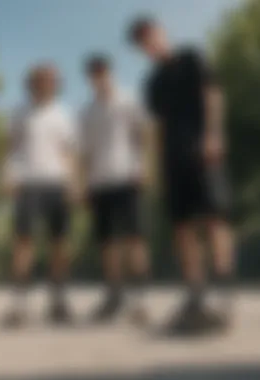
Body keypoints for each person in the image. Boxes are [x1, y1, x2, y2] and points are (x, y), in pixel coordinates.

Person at [128, 17, 235, 333]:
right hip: (173, 160)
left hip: (203, 151)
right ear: (141, 49)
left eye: (151, 36)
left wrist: (214, 135)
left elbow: (213, 95)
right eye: (142, 43)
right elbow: (157, 128)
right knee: (182, 227)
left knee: (214, 219)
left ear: (162, 32)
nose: (150, 44)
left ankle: (224, 292)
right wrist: (157, 168)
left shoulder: (191, 57)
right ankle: (195, 294)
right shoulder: (152, 83)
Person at [2, 63, 78, 326]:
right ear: (32, 83)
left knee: (60, 243)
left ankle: (58, 300)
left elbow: (68, 152)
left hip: (57, 183)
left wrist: (72, 183)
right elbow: (10, 147)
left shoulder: (63, 114)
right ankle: (19, 303)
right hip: (27, 183)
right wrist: (9, 175)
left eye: (52, 80)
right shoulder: (18, 112)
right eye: (42, 79)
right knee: (24, 243)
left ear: (56, 84)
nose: (47, 83)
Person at [80, 54, 151, 323]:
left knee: (135, 238)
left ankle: (141, 298)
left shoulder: (129, 99)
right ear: (89, 78)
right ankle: (114, 296)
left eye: (102, 71)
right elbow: (85, 152)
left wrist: (143, 166)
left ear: (111, 71)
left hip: (127, 177)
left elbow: (141, 135)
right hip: (99, 182)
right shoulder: (86, 111)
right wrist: (85, 184)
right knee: (107, 243)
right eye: (94, 73)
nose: (99, 77)